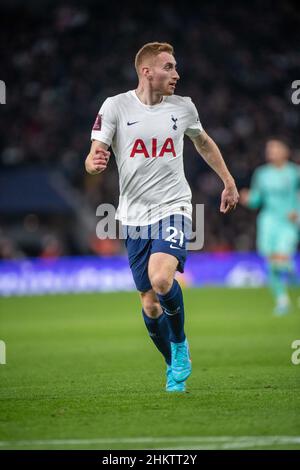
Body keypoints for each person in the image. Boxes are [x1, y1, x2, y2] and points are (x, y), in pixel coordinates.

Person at [85, 42, 239, 392]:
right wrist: (92, 164)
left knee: (162, 279)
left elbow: (202, 142)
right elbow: (95, 152)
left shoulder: (183, 108)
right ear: (147, 71)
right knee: (150, 304)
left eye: (175, 67)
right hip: (133, 216)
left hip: (173, 207)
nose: (176, 74)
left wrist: (228, 181)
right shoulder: (116, 106)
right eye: (169, 67)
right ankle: (172, 363)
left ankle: (181, 342)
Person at [240, 139, 300, 315]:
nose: (270, 151)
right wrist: (247, 198)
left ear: (285, 151)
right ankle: (282, 301)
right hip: (268, 221)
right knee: (271, 263)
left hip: (288, 222)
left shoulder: (295, 172)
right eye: (269, 149)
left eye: (274, 148)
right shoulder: (261, 174)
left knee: (281, 259)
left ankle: (294, 278)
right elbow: (257, 199)